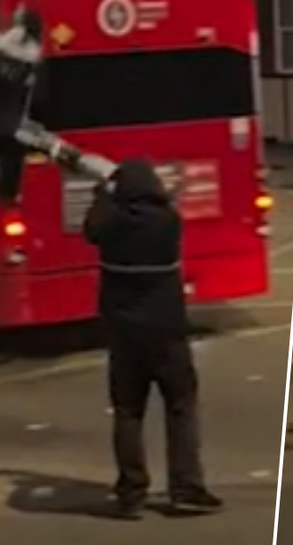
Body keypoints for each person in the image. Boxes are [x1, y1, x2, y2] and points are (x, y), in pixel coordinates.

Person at [83, 159, 221, 518]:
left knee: (128, 411)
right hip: (167, 333)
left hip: (124, 335)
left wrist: (103, 194)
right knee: (181, 406)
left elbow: (91, 229)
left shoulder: (109, 224)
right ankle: (186, 487)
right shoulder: (168, 222)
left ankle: (131, 492)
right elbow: (166, 202)